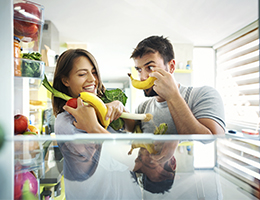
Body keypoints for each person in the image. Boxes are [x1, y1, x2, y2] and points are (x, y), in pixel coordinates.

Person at [124, 35, 226, 196]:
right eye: (139, 69)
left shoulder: (204, 95)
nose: (142, 77)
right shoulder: (142, 108)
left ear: (171, 67)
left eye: (149, 67)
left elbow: (212, 141)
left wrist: (172, 96)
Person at [52, 48, 142, 200]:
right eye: (82, 74)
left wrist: (121, 109)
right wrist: (94, 127)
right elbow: (131, 160)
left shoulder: (100, 110)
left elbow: (129, 130)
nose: (92, 79)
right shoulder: (65, 123)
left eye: (94, 72)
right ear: (65, 80)